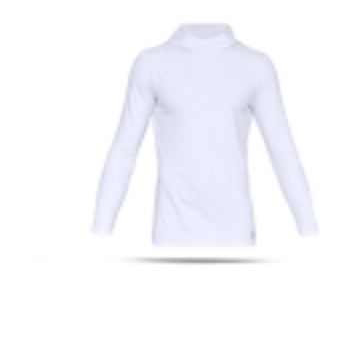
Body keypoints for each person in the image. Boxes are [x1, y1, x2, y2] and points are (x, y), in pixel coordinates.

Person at [87, 21, 323, 247]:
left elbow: (281, 150)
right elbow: (125, 150)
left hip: (235, 237)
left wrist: (309, 229)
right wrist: (101, 230)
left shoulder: (257, 63)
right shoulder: (151, 61)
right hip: (170, 237)